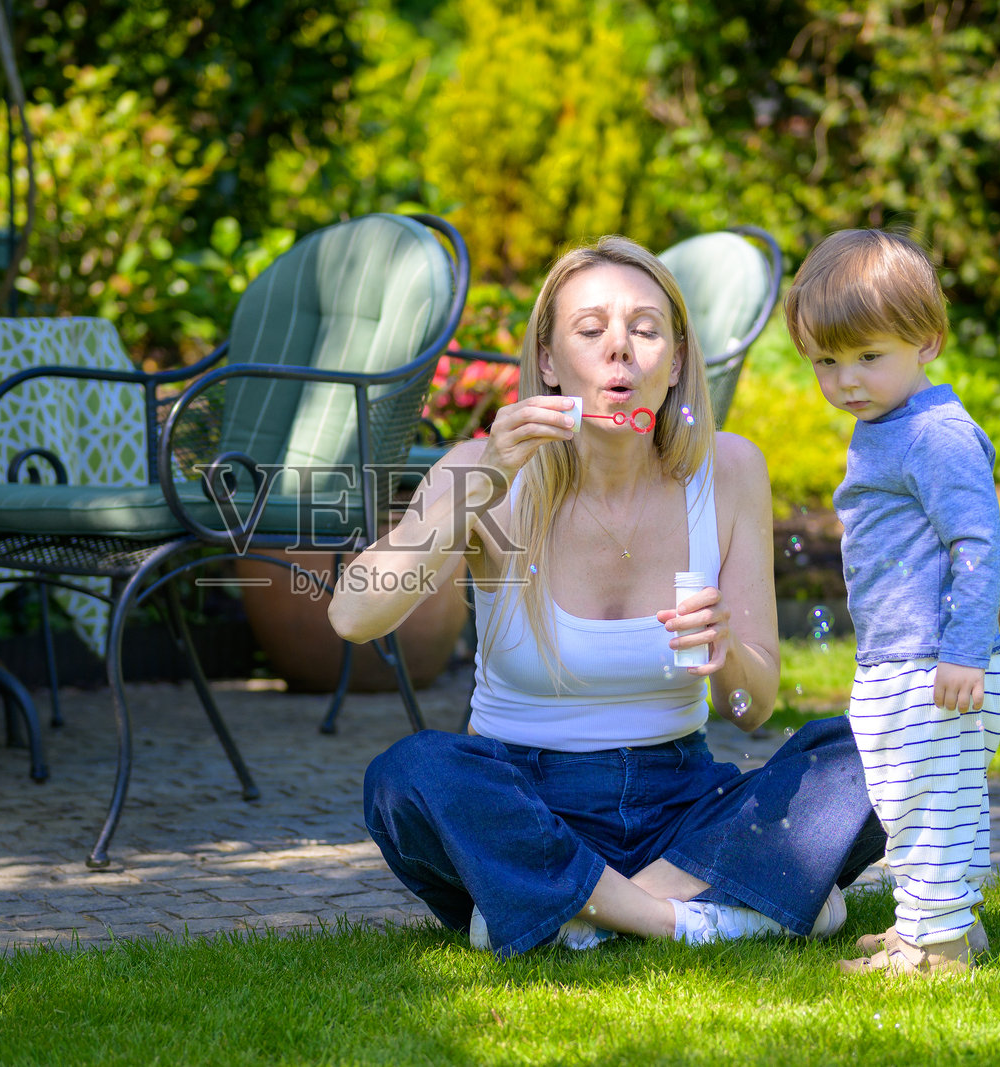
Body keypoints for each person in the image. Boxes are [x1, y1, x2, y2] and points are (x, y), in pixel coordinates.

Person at [329, 234, 885, 959]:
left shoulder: (730, 468)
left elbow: (754, 708)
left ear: (677, 360)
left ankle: (571, 908)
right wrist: (483, 486)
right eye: (590, 330)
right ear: (550, 361)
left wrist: (725, 657)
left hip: (681, 797)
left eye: (646, 329)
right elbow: (352, 614)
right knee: (410, 775)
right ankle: (693, 913)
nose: (619, 348)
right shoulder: (481, 469)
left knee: (871, 749)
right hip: (525, 798)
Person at [784, 228, 1000, 975]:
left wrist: (962, 652)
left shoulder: (935, 435)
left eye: (868, 357)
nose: (846, 379)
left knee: (924, 802)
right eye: (826, 360)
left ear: (928, 341)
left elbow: (976, 545)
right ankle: (945, 923)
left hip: (932, 662)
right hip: (901, 656)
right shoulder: (887, 424)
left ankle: (934, 946)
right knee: (927, 797)